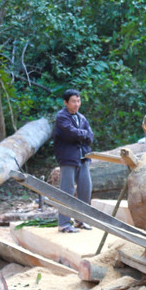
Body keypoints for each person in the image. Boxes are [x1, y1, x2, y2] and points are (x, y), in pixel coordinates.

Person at [53, 89, 94, 233]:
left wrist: (82, 134)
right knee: (67, 190)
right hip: (68, 157)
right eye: (73, 101)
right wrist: (83, 134)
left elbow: (90, 135)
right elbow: (70, 133)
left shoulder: (81, 118)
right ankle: (64, 224)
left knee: (85, 188)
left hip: (83, 157)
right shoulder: (61, 117)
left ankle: (81, 220)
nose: (77, 104)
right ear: (66, 103)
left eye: (78, 101)